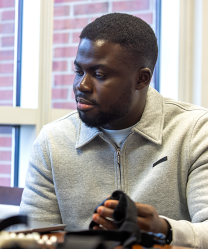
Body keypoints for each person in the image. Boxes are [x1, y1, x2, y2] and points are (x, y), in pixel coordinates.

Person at [19, 13, 208, 248]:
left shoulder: (195, 131)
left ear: (142, 79)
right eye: (79, 71)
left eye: (99, 75)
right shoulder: (53, 141)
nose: (81, 85)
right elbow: (31, 237)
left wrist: (164, 229)